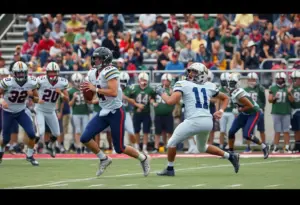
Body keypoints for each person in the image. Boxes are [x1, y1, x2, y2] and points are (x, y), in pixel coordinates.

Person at [156, 62, 240, 176]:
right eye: (190, 71)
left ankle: (170, 169)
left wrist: (161, 92)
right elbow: (225, 98)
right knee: (202, 147)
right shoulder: (209, 86)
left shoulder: (183, 84)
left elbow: (170, 101)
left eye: (194, 72)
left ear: (202, 74)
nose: (190, 73)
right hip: (207, 121)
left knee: (171, 142)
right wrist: (221, 111)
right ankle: (230, 156)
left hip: (194, 120)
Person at [80, 47, 150, 177]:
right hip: (103, 111)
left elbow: (112, 92)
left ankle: (143, 158)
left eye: (98, 58)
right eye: (94, 58)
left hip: (116, 112)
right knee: (84, 138)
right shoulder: (91, 73)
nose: (95, 60)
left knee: (119, 148)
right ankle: (104, 158)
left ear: (106, 60)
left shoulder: (110, 70)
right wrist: (86, 94)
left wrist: (94, 89)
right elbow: (90, 96)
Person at [0, 61, 40, 165]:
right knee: (5, 139)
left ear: (26, 72)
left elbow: (37, 99)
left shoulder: (31, 82)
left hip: (21, 111)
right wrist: (2, 101)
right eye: (18, 73)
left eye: (22, 73)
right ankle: (0, 152)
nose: (21, 75)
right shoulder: (7, 82)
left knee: (32, 134)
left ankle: (30, 155)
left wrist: (31, 95)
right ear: (13, 73)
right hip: (8, 112)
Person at [227, 73, 269, 159]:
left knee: (247, 134)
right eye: (229, 82)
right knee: (231, 132)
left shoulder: (237, 92)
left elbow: (250, 105)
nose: (230, 85)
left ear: (236, 83)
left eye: (232, 83)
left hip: (254, 112)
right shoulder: (233, 92)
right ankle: (231, 153)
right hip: (245, 113)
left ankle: (264, 146)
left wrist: (239, 110)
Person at [34, 62, 69, 158]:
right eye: (50, 72)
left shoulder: (62, 82)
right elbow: (31, 92)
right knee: (40, 132)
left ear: (58, 73)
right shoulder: (40, 80)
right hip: (40, 109)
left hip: (51, 111)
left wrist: (60, 93)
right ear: (47, 73)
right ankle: (31, 149)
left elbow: (67, 98)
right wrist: (36, 99)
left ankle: (48, 146)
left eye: (54, 72)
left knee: (56, 133)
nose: (52, 74)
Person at [152, 73, 175, 153]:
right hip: (158, 114)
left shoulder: (172, 90)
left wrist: (172, 93)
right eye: (164, 80)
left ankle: (169, 146)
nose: (165, 82)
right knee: (158, 132)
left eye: (167, 80)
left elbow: (175, 100)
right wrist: (153, 103)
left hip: (168, 114)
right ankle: (156, 147)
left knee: (169, 132)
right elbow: (151, 97)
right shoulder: (158, 89)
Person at [243, 72, 266, 152]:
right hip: (250, 113)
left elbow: (263, 101)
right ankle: (248, 146)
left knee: (261, 129)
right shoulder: (245, 89)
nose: (251, 81)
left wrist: (262, 108)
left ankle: (264, 145)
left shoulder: (260, 89)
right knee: (249, 130)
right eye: (250, 79)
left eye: (253, 79)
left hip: (259, 112)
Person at [218, 72, 235, 150]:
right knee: (222, 130)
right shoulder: (220, 89)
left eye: (225, 81)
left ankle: (229, 145)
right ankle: (221, 146)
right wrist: (217, 111)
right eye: (223, 81)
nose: (224, 83)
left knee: (229, 130)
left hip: (231, 111)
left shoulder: (233, 89)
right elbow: (217, 102)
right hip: (223, 112)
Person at [290, 70, 300, 153]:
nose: (296, 80)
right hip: (294, 111)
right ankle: (297, 145)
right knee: (296, 129)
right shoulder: (290, 88)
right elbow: (291, 101)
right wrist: (289, 93)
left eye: (297, 79)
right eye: (295, 79)